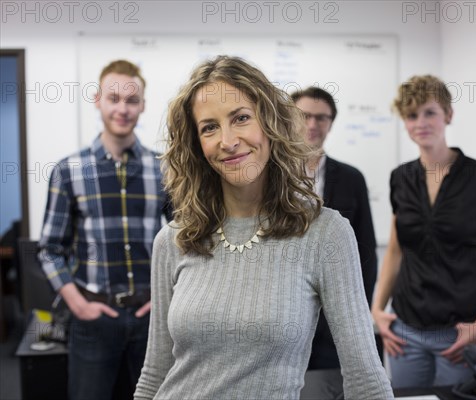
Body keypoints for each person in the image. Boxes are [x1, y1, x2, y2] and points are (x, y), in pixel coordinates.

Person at [134, 56, 393, 400]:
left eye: (241, 118)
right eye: (209, 127)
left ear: (270, 123)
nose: (227, 140)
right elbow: (155, 373)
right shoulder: (175, 239)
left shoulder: (324, 233)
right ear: (197, 145)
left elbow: (366, 379)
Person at [38, 59, 172, 400]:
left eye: (131, 100)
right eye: (114, 98)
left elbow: (186, 242)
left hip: (151, 320)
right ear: (98, 99)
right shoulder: (69, 170)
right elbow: (51, 249)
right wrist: (77, 304)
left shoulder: (164, 169)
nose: (122, 108)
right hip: (93, 318)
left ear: (142, 105)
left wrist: (165, 298)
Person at [371, 75, 476, 388]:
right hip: (404, 331)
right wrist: (377, 310)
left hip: (460, 332)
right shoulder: (400, 177)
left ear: (448, 114)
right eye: (411, 115)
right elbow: (395, 251)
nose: (420, 122)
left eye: (429, 112)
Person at [291, 87, 378, 399]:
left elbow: (366, 251)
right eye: (305, 116)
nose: (313, 124)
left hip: (334, 319)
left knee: (328, 391)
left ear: (330, 123)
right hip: (286, 313)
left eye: (321, 117)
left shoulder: (351, 178)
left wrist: (360, 313)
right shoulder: (271, 178)